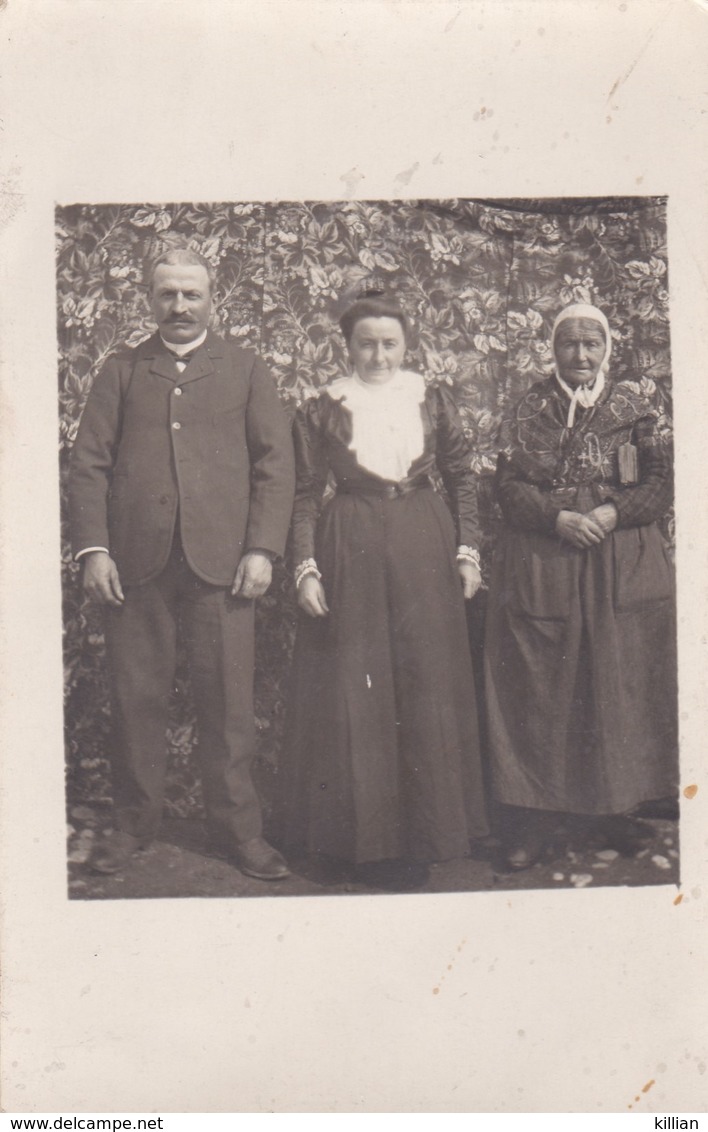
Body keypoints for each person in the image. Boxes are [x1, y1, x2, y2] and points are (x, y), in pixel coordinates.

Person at [69, 245, 295, 879]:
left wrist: (261, 548)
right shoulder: (120, 370)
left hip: (222, 568)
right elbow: (87, 466)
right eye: (166, 294)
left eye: (190, 294)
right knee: (135, 700)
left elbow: (275, 466)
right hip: (136, 567)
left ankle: (240, 834)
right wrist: (94, 548)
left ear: (211, 298)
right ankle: (132, 826)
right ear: (149, 299)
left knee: (227, 705)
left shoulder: (246, 370)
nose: (179, 306)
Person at [282, 290, 489, 879]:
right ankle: (363, 843)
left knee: (426, 681)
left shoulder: (431, 400)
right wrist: (305, 566)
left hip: (424, 540)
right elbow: (302, 494)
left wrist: (468, 552)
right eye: (366, 344)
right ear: (347, 347)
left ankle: (429, 836)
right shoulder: (322, 409)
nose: (378, 356)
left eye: (389, 343)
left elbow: (462, 478)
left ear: (405, 345)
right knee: (358, 685)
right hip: (350, 542)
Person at [484, 302, 678, 869]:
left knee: (616, 687)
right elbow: (509, 488)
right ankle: (535, 818)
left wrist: (615, 512)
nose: (581, 355)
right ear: (553, 349)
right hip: (549, 563)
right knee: (543, 688)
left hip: (620, 564)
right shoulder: (526, 408)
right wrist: (556, 519)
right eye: (570, 344)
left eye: (591, 344)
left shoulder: (639, 407)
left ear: (607, 349)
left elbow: (662, 482)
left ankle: (612, 810)